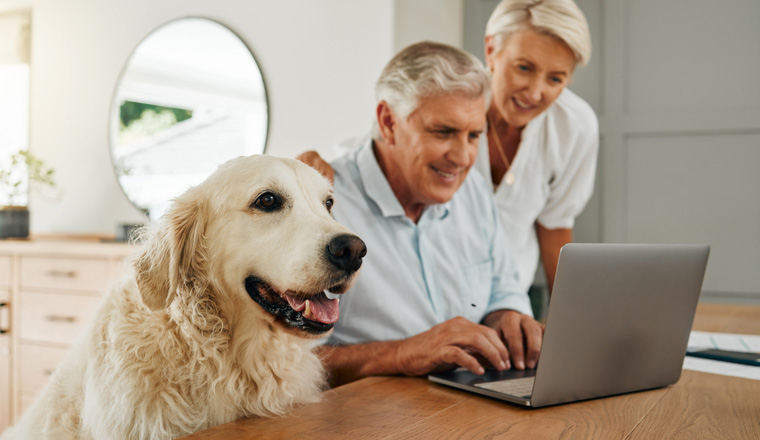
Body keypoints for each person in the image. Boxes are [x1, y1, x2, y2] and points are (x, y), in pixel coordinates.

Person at [299, 0, 599, 298]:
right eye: (523, 67)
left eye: (556, 78)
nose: (535, 92)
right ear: (491, 49)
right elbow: (384, 148)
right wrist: (309, 173)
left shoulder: (575, 127)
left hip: (507, 294)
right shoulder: (454, 95)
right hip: (440, 292)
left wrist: (570, 320)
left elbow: (555, 225)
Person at [306, 41, 543, 387]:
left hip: (475, 401)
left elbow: (502, 288)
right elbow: (291, 364)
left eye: (474, 135)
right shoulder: (322, 204)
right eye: (443, 132)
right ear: (388, 122)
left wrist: (507, 315)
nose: (462, 158)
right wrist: (402, 354)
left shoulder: (473, 190)